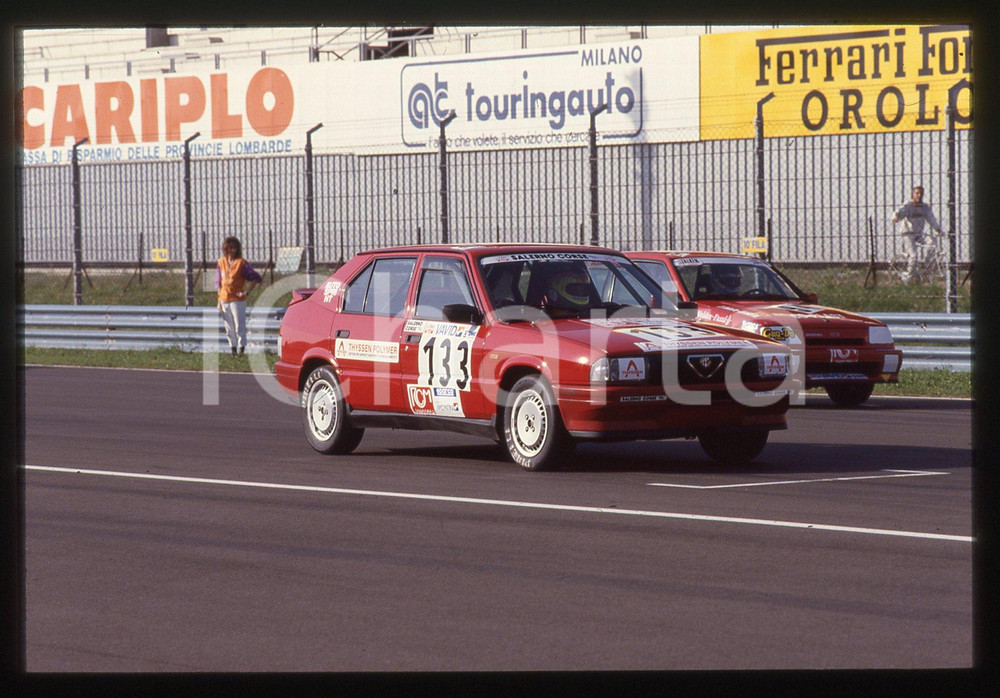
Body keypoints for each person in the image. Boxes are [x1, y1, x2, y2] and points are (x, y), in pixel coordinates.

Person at [216, 236, 262, 356]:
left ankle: (241, 350)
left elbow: (256, 277)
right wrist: (219, 300)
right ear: (225, 248)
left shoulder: (241, 263)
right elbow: (219, 282)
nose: (232, 250)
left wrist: (246, 292)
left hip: (237, 299)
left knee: (239, 326)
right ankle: (233, 349)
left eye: (235, 248)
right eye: (230, 248)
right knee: (229, 327)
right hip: (224, 298)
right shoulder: (221, 262)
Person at [892, 186, 943, 282]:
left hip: (919, 233)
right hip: (908, 233)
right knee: (913, 255)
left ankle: (926, 267)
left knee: (932, 242)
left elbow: (931, 219)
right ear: (913, 194)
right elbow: (899, 212)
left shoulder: (925, 207)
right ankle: (908, 278)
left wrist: (938, 229)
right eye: (917, 193)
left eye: (921, 194)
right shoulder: (908, 205)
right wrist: (895, 217)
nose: (919, 195)